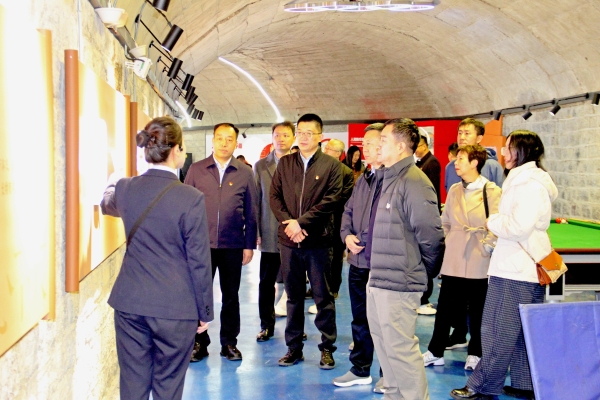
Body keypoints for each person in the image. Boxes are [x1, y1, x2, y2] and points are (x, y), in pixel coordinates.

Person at [100, 117, 213, 400]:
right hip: (176, 308)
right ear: (175, 150)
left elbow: (106, 203)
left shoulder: (126, 188)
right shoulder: (191, 198)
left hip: (130, 303)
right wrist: (205, 312)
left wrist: (112, 182)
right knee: (168, 386)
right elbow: (199, 261)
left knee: (133, 384)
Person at [451, 130, 558, 400]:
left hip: (515, 269)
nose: (503, 153)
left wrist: (492, 220)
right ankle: (524, 383)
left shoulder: (528, 184)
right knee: (521, 331)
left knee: (497, 330)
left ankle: (483, 386)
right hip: (521, 268)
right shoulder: (526, 180)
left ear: (522, 151)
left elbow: (517, 227)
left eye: (508, 148)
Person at [367, 118, 445, 400]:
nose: (378, 145)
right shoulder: (388, 178)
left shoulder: (414, 181)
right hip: (379, 279)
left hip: (400, 282)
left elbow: (431, 236)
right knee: (385, 347)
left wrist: (421, 271)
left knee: (400, 349)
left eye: (383, 140)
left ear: (400, 147)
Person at [270, 113, 342, 370]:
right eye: (299, 132)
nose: (303, 137)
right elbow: (275, 197)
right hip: (289, 242)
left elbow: (331, 200)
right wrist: (290, 224)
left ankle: (327, 348)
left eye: (308, 133)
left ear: (320, 136)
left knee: (323, 297)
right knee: (293, 297)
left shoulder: (331, 166)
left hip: (317, 242)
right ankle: (293, 348)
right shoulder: (285, 163)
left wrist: (301, 223)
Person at [422, 144, 501, 372]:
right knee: (445, 307)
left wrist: (487, 246)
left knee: (477, 309)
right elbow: (445, 221)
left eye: (461, 159)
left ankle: (475, 353)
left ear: (475, 163)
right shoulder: (455, 189)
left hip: (478, 254)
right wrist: (447, 242)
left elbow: (497, 222)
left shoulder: (491, 191)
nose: (455, 163)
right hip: (455, 255)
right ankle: (435, 351)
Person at [184, 122, 258, 362]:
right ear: (213, 140)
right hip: (200, 246)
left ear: (235, 143)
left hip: (232, 245)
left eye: (229, 139)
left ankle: (229, 343)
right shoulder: (196, 170)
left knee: (231, 296)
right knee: (198, 295)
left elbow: (252, 211)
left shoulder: (245, 172)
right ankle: (199, 343)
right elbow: (184, 208)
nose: (224, 143)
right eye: (220, 138)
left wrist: (249, 245)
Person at [333, 123, 384, 389]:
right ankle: (361, 369)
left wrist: (360, 238)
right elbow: (348, 210)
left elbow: (383, 221)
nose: (365, 148)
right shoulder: (364, 178)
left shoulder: (393, 180)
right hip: (357, 262)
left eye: (370, 143)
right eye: (364, 144)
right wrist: (346, 236)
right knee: (360, 319)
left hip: (381, 264)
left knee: (384, 322)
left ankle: (389, 375)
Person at [254, 121, 296, 341]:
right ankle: (266, 325)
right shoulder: (261, 166)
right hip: (269, 232)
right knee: (266, 282)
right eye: (277, 135)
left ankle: (295, 327)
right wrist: (256, 231)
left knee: (294, 283)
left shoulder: (300, 164)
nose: (281, 139)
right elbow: (256, 201)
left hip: (294, 233)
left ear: (293, 138)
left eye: (286, 135)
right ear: (272, 138)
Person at [322, 139, 355, 300]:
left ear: (338, 153)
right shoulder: (319, 167)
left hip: (337, 219)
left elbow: (345, 197)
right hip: (319, 220)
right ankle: (318, 288)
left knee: (335, 256)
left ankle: (333, 288)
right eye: (326, 147)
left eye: (328, 148)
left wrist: (324, 204)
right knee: (319, 257)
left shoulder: (346, 172)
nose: (325, 150)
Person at [414, 131, 443, 316]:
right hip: (420, 213)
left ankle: (425, 295)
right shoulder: (420, 163)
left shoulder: (432, 163)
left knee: (426, 257)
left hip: (427, 215)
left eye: (418, 146)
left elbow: (431, 190)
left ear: (425, 146)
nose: (416, 149)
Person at [445, 118, 504, 193]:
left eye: (467, 133)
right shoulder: (451, 167)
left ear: (479, 138)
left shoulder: (492, 166)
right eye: (459, 133)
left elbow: (502, 195)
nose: (462, 137)